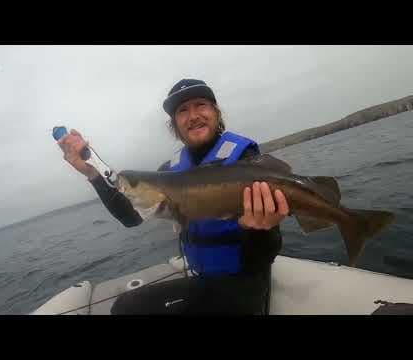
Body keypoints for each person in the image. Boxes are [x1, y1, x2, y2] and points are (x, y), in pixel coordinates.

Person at [57, 79, 290, 314]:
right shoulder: (169, 172)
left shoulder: (245, 159)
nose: (193, 115)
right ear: (175, 125)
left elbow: (265, 255)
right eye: (182, 111)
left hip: (244, 286)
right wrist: (93, 174)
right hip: (202, 282)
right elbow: (131, 217)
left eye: (201, 105)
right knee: (126, 308)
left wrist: (261, 230)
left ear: (216, 112)